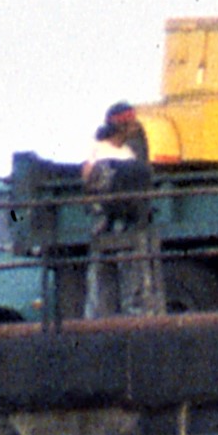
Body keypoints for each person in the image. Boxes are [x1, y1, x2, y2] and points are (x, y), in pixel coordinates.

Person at [83, 101, 164, 319]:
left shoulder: (129, 152)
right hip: (106, 222)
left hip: (129, 221)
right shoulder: (98, 148)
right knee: (103, 284)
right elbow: (90, 178)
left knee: (133, 280)